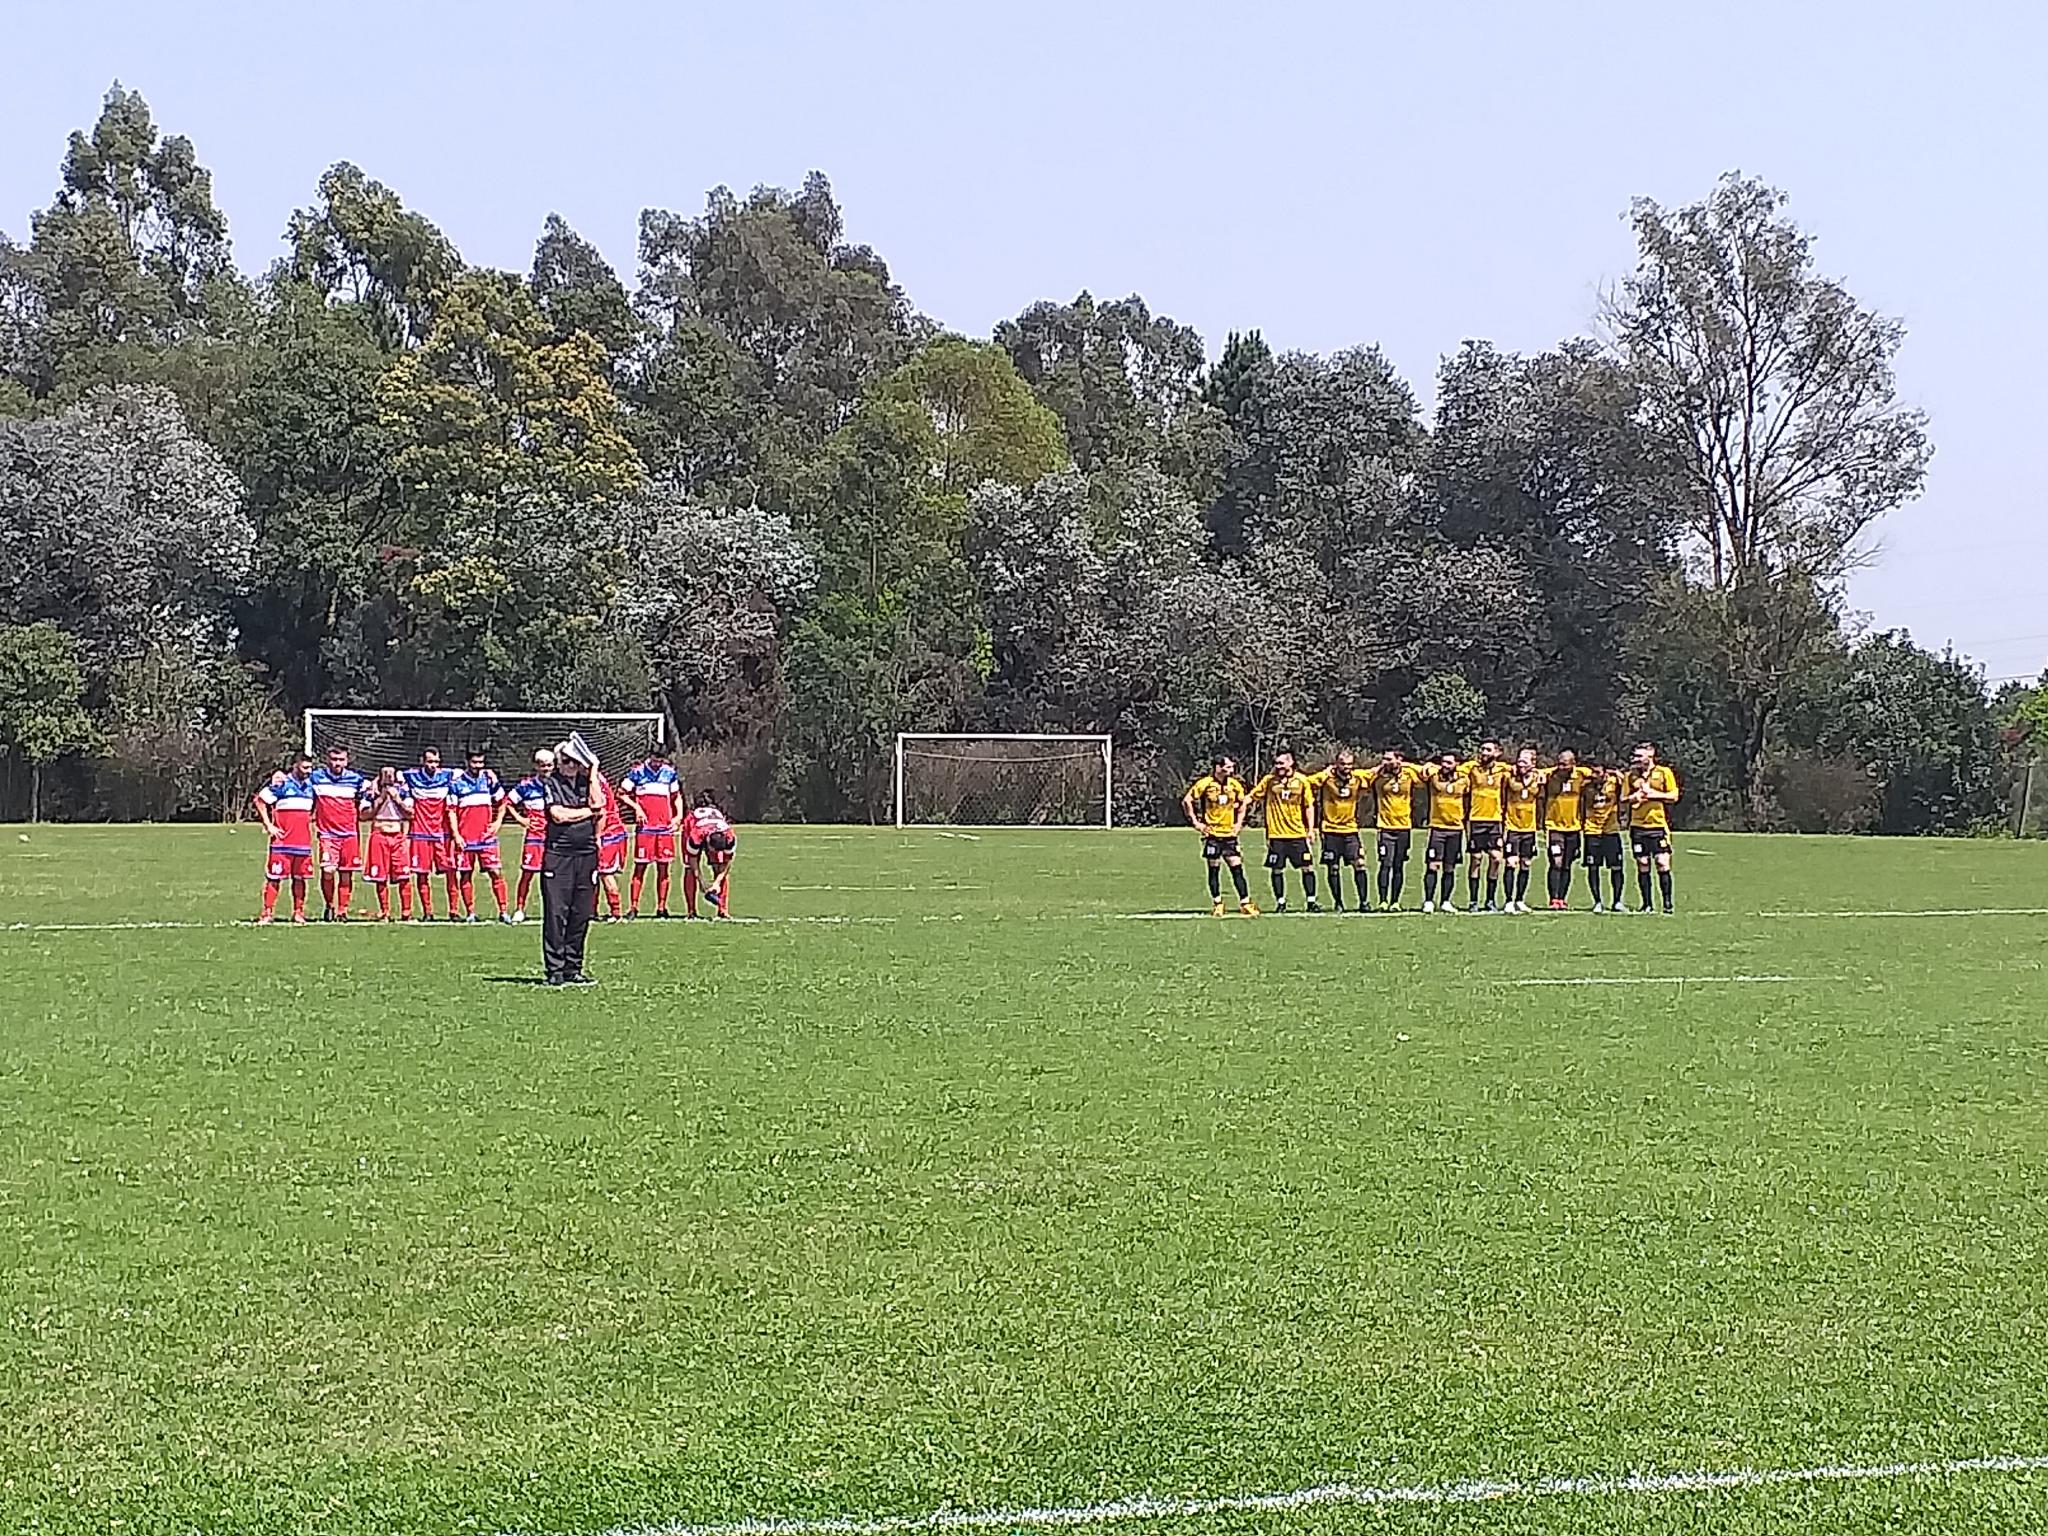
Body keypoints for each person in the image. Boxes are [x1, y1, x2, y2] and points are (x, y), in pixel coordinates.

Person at [539, 738, 604, 984]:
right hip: (559, 856)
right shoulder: (551, 783)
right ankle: (555, 972)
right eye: (565, 761)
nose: (570, 765)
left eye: (575, 761)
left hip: (586, 855)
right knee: (557, 914)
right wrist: (588, 812)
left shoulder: (588, 782)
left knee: (582, 913)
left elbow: (600, 805)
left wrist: (594, 770)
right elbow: (558, 815)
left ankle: (573, 969)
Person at [1182, 755, 1256, 917]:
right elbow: (1187, 800)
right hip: (1212, 835)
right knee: (1214, 870)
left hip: (1229, 835)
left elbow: (1243, 804)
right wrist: (1196, 823)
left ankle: (1245, 903)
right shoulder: (1205, 784)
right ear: (1218, 767)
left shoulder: (1235, 785)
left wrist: (1238, 824)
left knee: (1237, 868)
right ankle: (1217, 903)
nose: (1231, 770)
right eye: (1228, 767)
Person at [1248, 750, 1318, 912]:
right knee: (1277, 869)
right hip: (1276, 835)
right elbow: (1252, 796)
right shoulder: (1269, 781)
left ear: (1290, 763)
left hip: (1297, 834)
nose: (1278, 766)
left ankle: (1311, 901)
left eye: (1281, 763)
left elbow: (1308, 805)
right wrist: (1239, 805)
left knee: (1307, 867)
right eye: (1276, 763)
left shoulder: (1301, 780)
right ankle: (1280, 902)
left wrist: (1311, 829)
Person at [450, 749, 513, 923]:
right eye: (475, 762)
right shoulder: (456, 784)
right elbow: (452, 812)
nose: (478, 766)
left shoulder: (489, 781)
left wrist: (498, 822)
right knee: (465, 874)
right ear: (467, 763)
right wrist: (456, 835)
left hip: (486, 837)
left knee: (496, 873)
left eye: (481, 763)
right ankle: (470, 912)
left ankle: (503, 911)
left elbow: (503, 802)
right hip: (465, 838)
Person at [621, 746, 683, 918]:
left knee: (664, 868)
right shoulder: (637, 773)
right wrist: (637, 808)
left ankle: (662, 907)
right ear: (650, 757)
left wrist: (678, 816)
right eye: (655, 760)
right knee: (640, 867)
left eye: (661, 761)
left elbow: (676, 796)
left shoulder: (669, 773)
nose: (658, 764)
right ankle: (633, 907)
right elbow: (622, 793)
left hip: (664, 828)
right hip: (646, 828)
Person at [254, 754, 316, 924]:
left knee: (300, 879)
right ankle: (267, 913)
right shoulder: (282, 784)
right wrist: (269, 825)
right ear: (295, 766)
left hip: (303, 842)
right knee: (274, 878)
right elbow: (260, 800)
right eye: (304, 768)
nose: (308, 771)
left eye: (310, 768)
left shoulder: (312, 785)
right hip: (282, 843)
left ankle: (298, 913)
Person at [309, 746, 367, 921]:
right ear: (328, 760)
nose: (337, 763)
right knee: (328, 870)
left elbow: (372, 788)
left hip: (349, 834)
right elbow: (296, 778)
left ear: (347, 761)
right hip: (327, 834)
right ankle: (329, 905)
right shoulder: (316, 777)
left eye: (341, 759)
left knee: (346, 873)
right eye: (334, 759)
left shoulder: (355, 779)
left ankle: (342, 911)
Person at [1310, 749, 1371, 913]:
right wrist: (1324, 773)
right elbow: (1307, 783)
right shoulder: (1327, 779)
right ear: (1336, 764)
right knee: (1333, 867)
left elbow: (1373, 775)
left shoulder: (1357, 779)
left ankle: (1364, 902)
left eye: (1349, 764)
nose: (1346, 767)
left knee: (1359, 863)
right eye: (1343, 764)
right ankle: (1338, 902)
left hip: (1350, 830)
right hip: (1330, 830)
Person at [1363, 748, 1423, 911]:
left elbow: (1425, 774)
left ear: (1399, 759)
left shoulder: (1409, 774)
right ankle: (1383, 901)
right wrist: (1375, 770)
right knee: (1385, 864)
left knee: (1399, 865)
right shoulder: (1379, 776)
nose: (1385, 762)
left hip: (1404, 827)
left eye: (1389, 759)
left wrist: (1408, 765)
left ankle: (1395, 901)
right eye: (1384, 759)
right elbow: (1362, 778)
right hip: (1385, 827)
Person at [403, 747, 459, 920]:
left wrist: (488, 772)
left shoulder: (448, 775)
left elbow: (469, 772)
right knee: (422, 874)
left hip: (443, 834)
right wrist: (375, 782)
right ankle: (428, 912)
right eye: (429, 761)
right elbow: (388, 775)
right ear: (422, 761)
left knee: (451, 871)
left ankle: (454, 911)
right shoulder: (410, 776)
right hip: (420, 834)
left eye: (436, 762)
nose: (433, 765)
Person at [1626, 741, 1682, 913]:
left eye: (1638, 756)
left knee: (1662, 863)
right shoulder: (1631, 776)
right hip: (1637, 826)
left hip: (1657, 825)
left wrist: (1653, 795)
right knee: (1642, 863)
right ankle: (1647, 904)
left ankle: (1667, 904)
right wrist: (1634, 797)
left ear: (1649, 757)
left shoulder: (1663, 772)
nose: (1635, 759)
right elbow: (1624, 799)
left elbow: (1673, 795)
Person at [505, 748, 554, 922]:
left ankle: (551, 910)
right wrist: (521, 819)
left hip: (554, 838)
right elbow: (507, 802)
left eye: (549, 765)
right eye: (543, 766)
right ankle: (519, 909)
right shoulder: (526, 786)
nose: (546, 769)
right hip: (534, 837)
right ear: (536, 766)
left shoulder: (557, 785)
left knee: (553, 877)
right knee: (527, 874)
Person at [360, 767, 415, 921]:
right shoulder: (371, 792)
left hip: (398, 836)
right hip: (379, 835)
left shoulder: (403, 790)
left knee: (404, 875)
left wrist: (397, 800)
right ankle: (385, 912)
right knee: (380, 877)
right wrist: (381, 799)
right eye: (385, 774)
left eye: (391, 774)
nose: (389, 777)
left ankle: (406, 913)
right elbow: (364, 815)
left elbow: (411, 813)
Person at [1461, 740, 1511, 912]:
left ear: (1497, 753)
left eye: (1488, 750)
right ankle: (1473, 901)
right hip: (1476, 820)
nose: (1484, 752)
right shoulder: (1471, 768)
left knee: (1497, 859)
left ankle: (1490, 900)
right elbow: (1450, 768)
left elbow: (1526, 770)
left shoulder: (1503, 769)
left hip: (1495, 821)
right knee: (1476, 859)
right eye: (1482, 749)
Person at [1540, 750, 1592, 911]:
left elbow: (1598, 773)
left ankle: (1562, 898)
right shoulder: (1550, 774)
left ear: (1573, 764)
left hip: (1574, 827)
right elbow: (1538, 773)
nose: (1561, 767)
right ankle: (1553, 898)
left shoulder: (1581, 774)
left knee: (1567, 865)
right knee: (1556, 862)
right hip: (1554, 826)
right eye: (1559, 763)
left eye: (1564, 764)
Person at [1420, 751, 1470, 914]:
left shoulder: (1464, 779)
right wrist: (1428, 765)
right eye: (1443, 762)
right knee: (1433, 865)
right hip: (1437, 828)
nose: (1445, 765)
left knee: (1450, 867)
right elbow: (1419, 769)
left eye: (1449, 763)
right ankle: (1428, 901)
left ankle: (1445, 901)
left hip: (1456, 829)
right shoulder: (1434, 776)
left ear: (1456, 764)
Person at [682, 789, 739, 918]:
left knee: (719, 866)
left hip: (713, 823)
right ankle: (691, 910)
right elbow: (692, 860)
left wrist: (717, 882)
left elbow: (728, 862)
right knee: (689, 869)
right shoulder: (696, 835)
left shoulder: (729, 837)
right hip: (692, 824)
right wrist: (701, 881)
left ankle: (722, 909)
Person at [1580, 758, 1626, 912]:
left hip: (1611, 831)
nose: (1594, 775)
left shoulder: (1614, 782)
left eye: (1597, 772)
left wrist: (1617, 773)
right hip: (1592, 830)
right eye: (1592, 772)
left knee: (1616, 867)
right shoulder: (1585, 786)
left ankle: (1617, 901)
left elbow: (1628, 784)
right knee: (1593, 867)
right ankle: (1597, 901)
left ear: (1605, 772)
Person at [1501, 750, 1543, 913]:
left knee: (1526, 863)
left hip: (1529, 828)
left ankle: (1520, 899)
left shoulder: (1538, 778)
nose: (1521, 764)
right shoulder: (1509, 776)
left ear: (1533, 763)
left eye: (1525, 761)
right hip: (1512, 827)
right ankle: (1508, 901)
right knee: (1511, 862)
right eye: (1519, 761)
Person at [594, 763, 629, 920]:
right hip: (614, 832)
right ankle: (591, 911)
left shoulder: (593, 782)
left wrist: (597, 836)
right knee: (594, 873)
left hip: (609, 833)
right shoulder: (599, 778)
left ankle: (616, 912)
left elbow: (601, 813)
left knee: (605, 873)